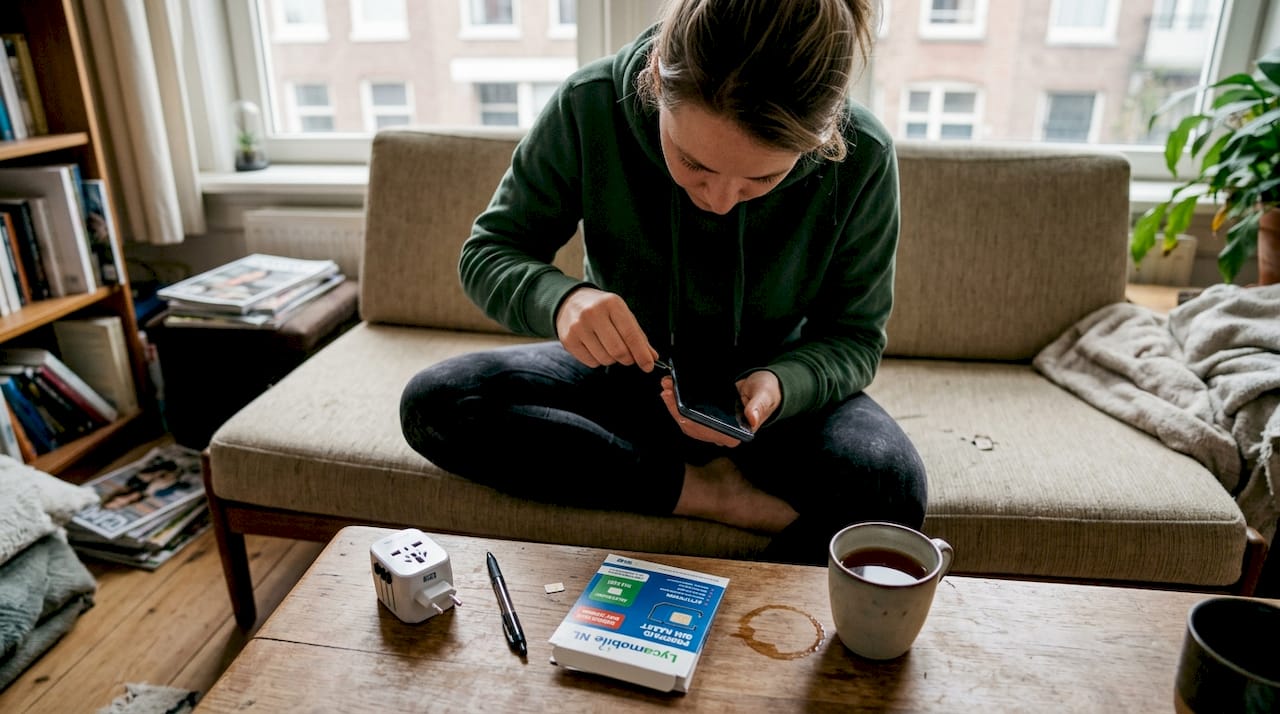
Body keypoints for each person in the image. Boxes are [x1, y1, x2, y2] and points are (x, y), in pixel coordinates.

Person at [400, 0, 927, 565]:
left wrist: (781, 385)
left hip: (767, 402)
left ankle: (733, 628)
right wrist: (563, 300)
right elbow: (489, 252)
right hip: (624, 376)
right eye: (693, 163)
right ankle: (706, 494)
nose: (720, 201)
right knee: (436, 403)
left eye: (763, 177)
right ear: (655, 79)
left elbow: (855, 338)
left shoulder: (864, 154)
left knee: (893, 490)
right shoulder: (590, 103)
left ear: (821, 138)